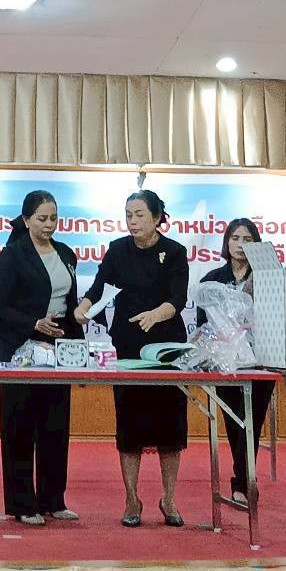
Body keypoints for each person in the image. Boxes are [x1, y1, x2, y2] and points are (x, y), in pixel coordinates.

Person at [74, 189, 189, 528]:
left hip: (167, 349)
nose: (133, 221)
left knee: (170, 428)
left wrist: (156, 314)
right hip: (128, 348)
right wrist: (82, 309)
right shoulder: (118, 250)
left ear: (156, 218)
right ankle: (131, 498)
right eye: (128, 215)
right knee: (129, 425)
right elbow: (98, 289)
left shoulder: (175, 252)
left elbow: (178, 299)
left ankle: (169, 499)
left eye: (139, 214)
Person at [0, 190, 82, 526]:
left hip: (58, 345)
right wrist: (33, 323)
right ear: (27, 219)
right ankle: (21, 504)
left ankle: (52, 499)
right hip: (21, 345)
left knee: (55, 423)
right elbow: (0, 305)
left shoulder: (66, 253)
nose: (49, 225)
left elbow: (70, 302)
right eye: (42, 218)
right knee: (20, 424)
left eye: (53, 218)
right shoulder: (12, 255)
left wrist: (80, 333)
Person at [195, 217, 274, 510]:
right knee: (232, 419)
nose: (241, 245)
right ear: (226, 242)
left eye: (248, 239)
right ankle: (243, 477)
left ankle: (243, 482)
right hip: (224, 360)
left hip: (261, 360)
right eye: (235, 238)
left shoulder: (268, 277)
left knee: (252, 419)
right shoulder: (213, 278)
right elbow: (203, 323)